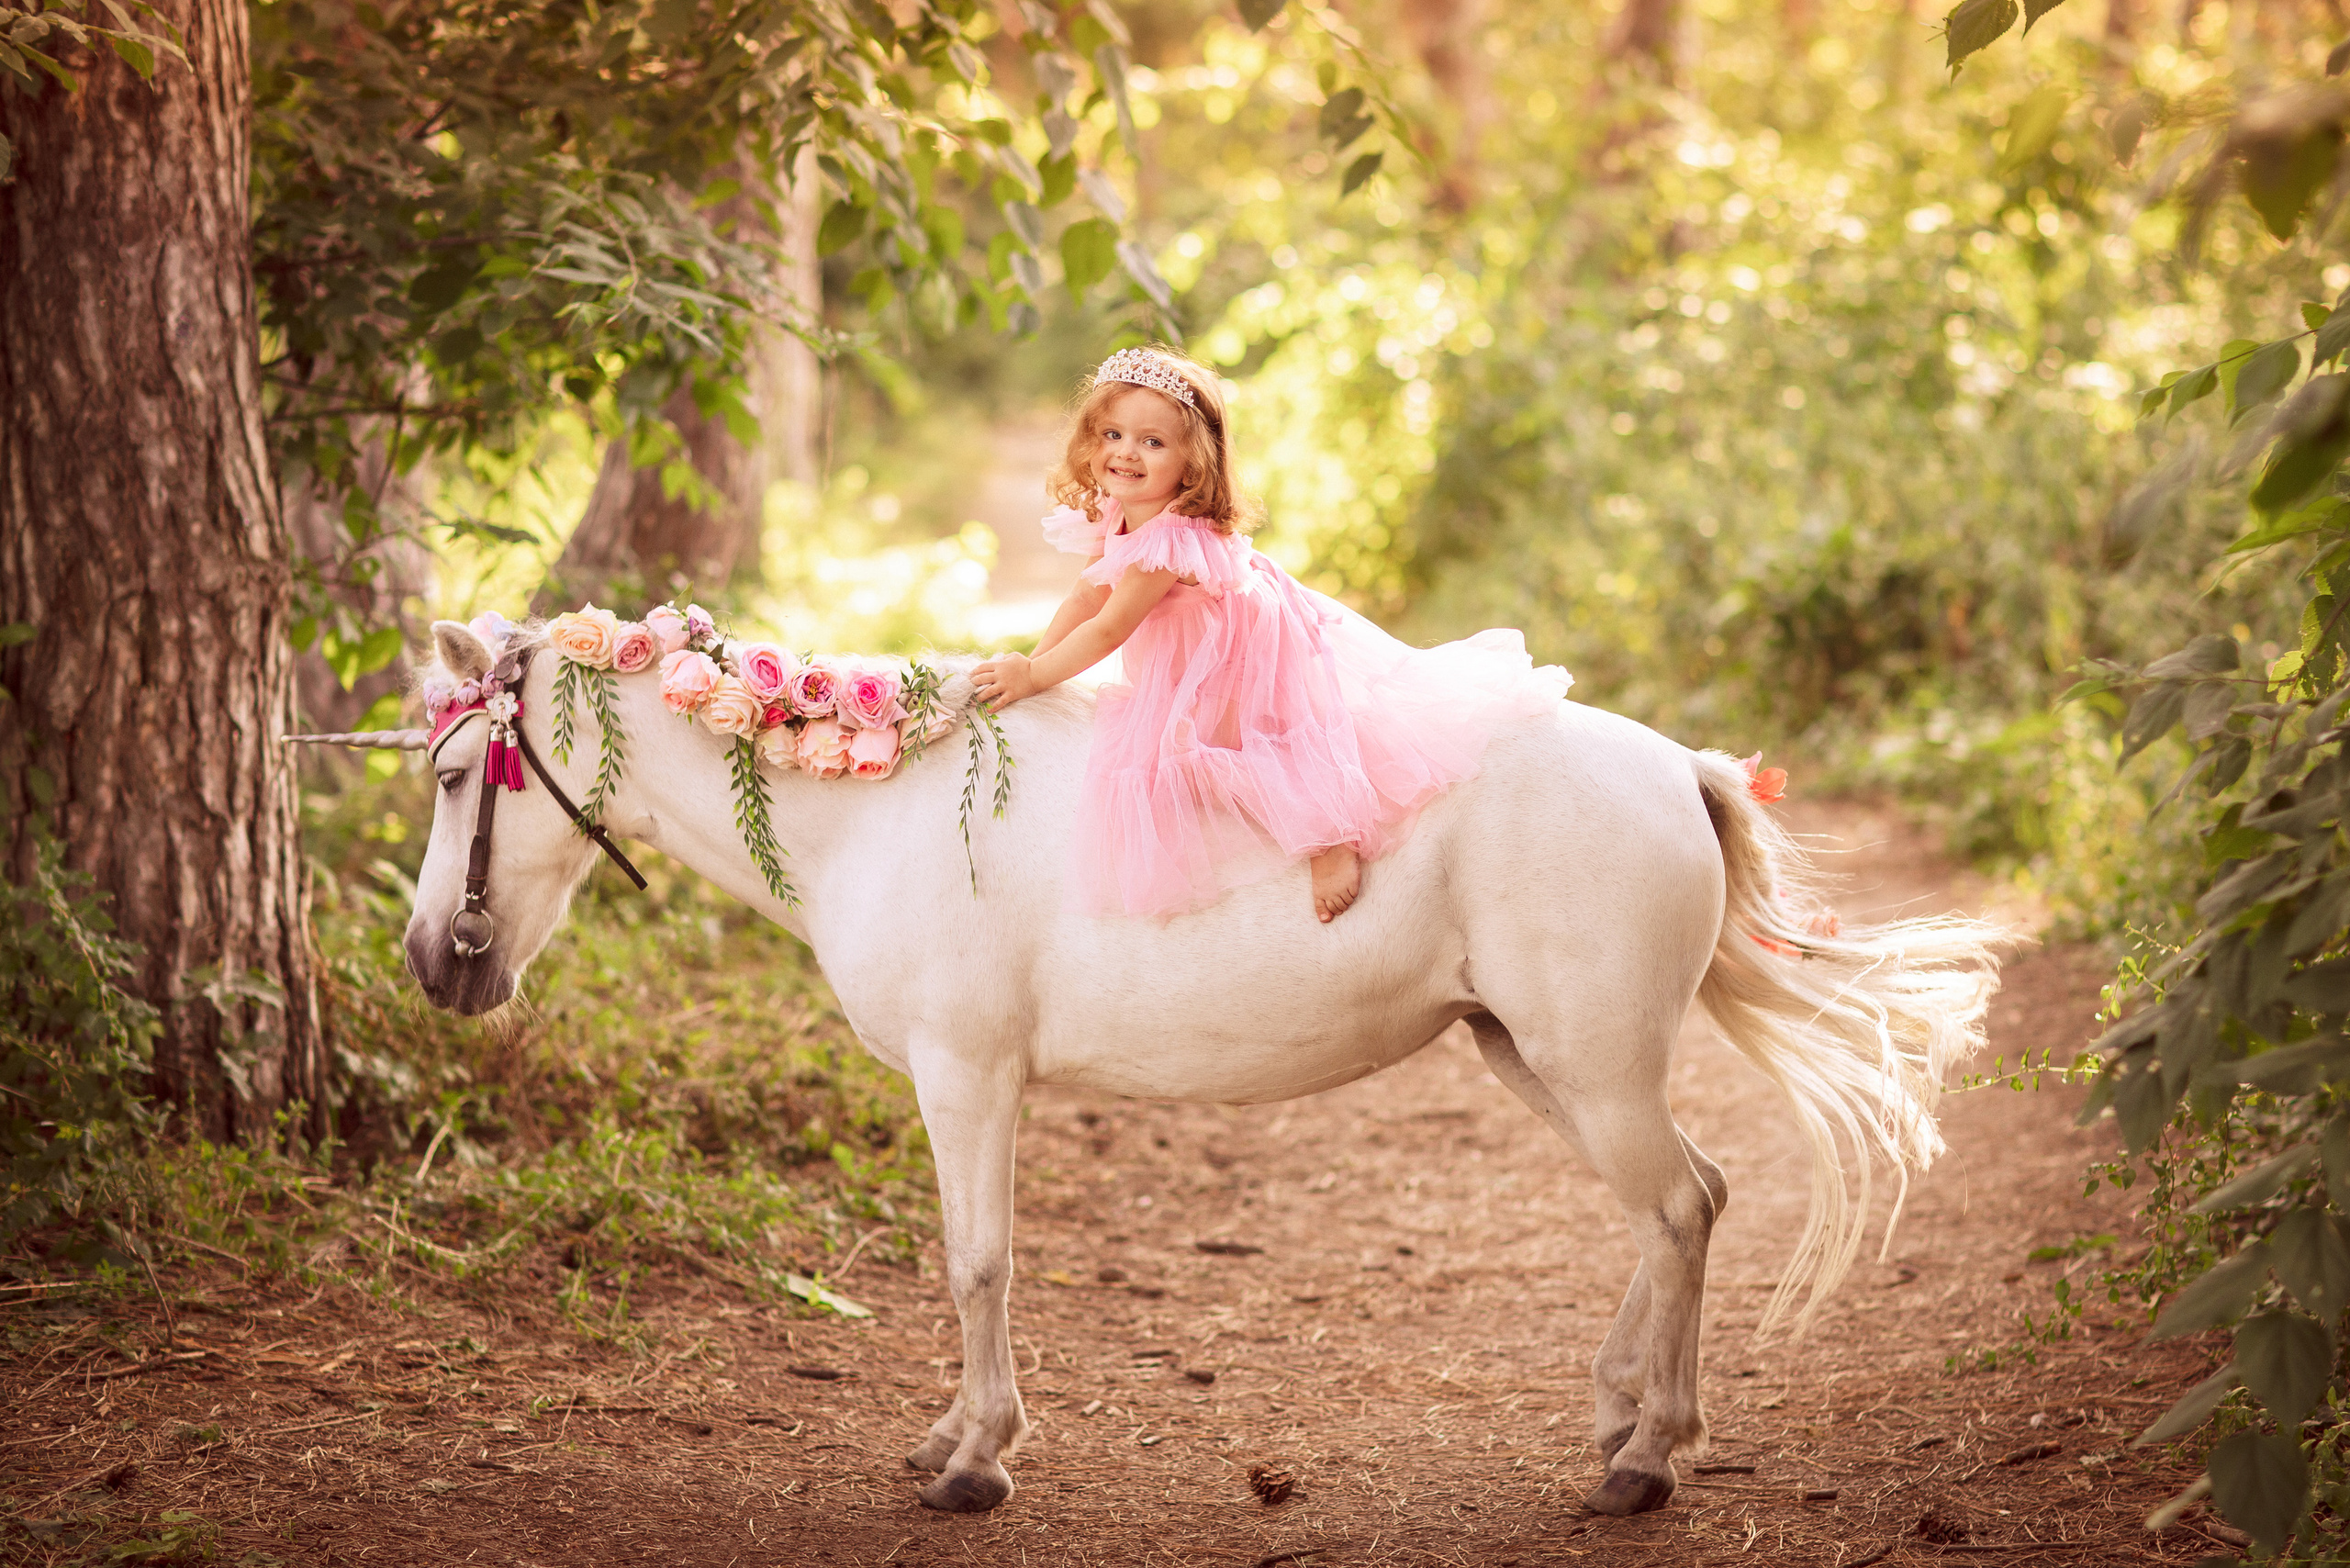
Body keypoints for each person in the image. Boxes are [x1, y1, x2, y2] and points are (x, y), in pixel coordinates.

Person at [971, 347, 1570, 924]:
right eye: (1112, 435)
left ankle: (1328, 835)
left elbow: (1110, 627)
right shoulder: (1116, 509)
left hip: (1237, 646)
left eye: (1153, 442)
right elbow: (1087, 596)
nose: (1127, 454)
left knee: (1230, 745)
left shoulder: (1169, 540)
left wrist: (1033, 676)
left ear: (1193, 460)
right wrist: (1034, 663)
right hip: (1205, 630)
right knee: (1188, 738)